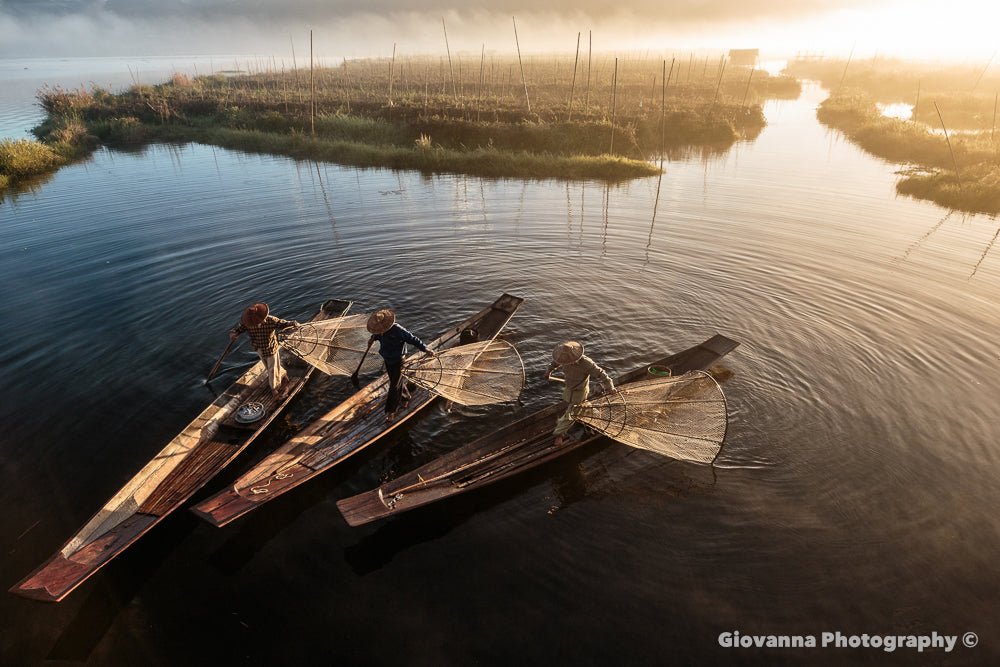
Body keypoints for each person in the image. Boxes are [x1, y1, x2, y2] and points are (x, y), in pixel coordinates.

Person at [367, 309, 435, 422]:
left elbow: (413, 339)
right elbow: (375, 336)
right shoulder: (379, 330)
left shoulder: (397, 329)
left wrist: (425, 349)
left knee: (394, 386)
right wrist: (371, 340)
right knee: (397, 381)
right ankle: (405, 397)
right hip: (387, 360)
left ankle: (391, 411)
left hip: (398, 361)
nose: (380, 331)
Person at [544, 341, 615, 446]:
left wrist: (610, 386)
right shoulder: (563, 359)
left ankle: (559, 433)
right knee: (583, 405)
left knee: (571, 413)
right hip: (570, 387)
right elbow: (555, 363)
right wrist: (548, 371)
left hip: (580, 390)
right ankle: (599, 417)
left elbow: (601, 374)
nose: (565, 361)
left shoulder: (586, 363)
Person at [229, 303, 299, 399]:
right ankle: (284, 375)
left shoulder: (271, 320)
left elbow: (283, 323)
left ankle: (274, 388)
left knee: (272, 370)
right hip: (258, 348)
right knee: (269, 367)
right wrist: (233, 334)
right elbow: (238, 329)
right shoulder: (248, 322)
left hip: (271, 348)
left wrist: (293, 324)